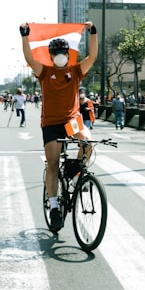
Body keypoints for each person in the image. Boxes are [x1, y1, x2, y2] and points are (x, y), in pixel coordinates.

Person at [19, 21, 98, 232]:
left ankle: (75, 171)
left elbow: (92, 57)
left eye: (64, 51)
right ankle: (54, 207)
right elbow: (29, 58)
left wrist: (93, 33)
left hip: (72, 120)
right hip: (52, 123)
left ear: (68, 53)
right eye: (57, 52)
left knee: (88, 143)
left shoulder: (76, 70)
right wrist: (25, 36)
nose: (61, 54)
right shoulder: (44, 72)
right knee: (53, 163)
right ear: (52, 56)